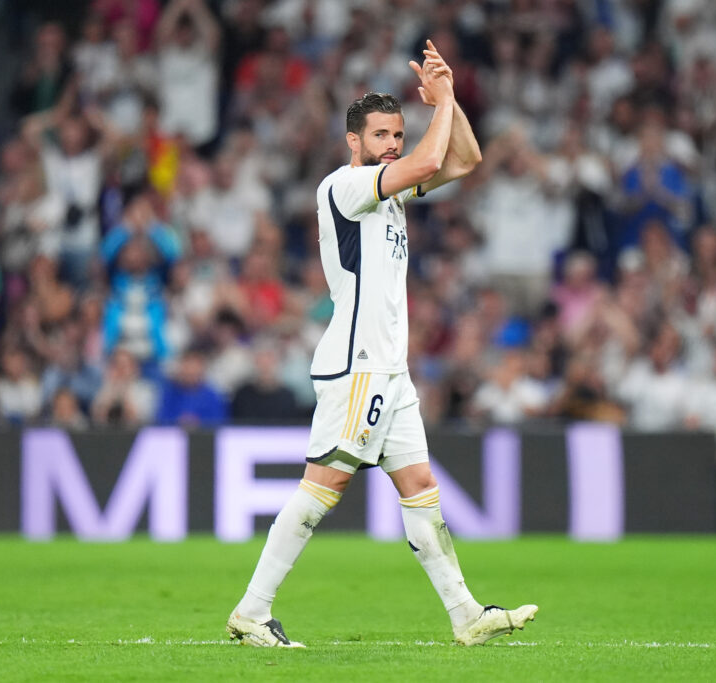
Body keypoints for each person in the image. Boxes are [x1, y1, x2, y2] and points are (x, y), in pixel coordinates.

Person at [227, 41, 537, 649]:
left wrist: (450, 102)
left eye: (397, 132)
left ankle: (465, 614)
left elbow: (464, 161)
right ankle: (252, 610)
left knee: (420, 486)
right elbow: (426, 164)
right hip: (358, 364)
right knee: (324, 488)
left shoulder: (387, 195)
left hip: (391, 369)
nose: (392, 142)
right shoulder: (345, 187)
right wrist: (440, 103)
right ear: (354, 141)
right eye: (381, 134)